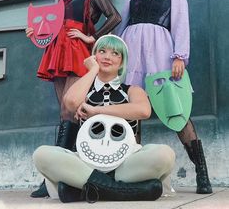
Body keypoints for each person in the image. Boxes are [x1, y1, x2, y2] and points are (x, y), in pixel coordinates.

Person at [115, 0, 212, 194]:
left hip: (161, 55)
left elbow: (180, 24)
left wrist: (180, 56)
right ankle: (134, 175)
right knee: (132, 113)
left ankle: (201, 172)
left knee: (177, 112)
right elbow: (121, 28)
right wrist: (116, 56)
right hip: (133, 55)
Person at [33, 34, 175, 203]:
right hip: (85, 163)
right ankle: (123, 191)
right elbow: (70, 102)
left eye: (115, 53)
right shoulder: (85, 89)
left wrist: (96, 111)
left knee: (165, 154)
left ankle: (85, 190)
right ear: (94, 56)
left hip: (126, 164)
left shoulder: (132, 90)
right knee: (41, 154)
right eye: (102, 51)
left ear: (122, 62)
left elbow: (144, 111)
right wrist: (92, 70)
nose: (108, 57)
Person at [26, 0, 122, 197]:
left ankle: (68, 174)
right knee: (65, 112)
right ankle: (57, 177)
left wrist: (92, 37)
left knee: (74, 108)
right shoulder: (64, 3)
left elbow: (115, 17)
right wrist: (36, 33)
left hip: (79, 50)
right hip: (58, 50)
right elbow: (49, 25)